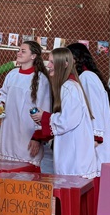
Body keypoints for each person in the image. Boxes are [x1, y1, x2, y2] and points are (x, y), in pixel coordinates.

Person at [31, 48, 99, 179]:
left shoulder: (69, 87)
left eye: (52, 62)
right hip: (74, 150)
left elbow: (67, 120)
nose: (48, 65)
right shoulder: (69, 85)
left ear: (65, 64)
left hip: (74, 154)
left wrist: (45, 117)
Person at [0, 40, 51, 167]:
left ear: (33, 56)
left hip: (27, 133)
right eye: (19, 50)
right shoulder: (12, 74)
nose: (19, 53)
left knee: (25, 171)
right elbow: (3, 95)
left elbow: (43, 108)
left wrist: (37, 137)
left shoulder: (41, 79)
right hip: (9, 131)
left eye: (23, 51)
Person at [67, 43, 110, 166]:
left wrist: (96, 137)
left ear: (75, 59)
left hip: (95, 142)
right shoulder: (82, 77)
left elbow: (95, 108)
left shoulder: (87, 77)